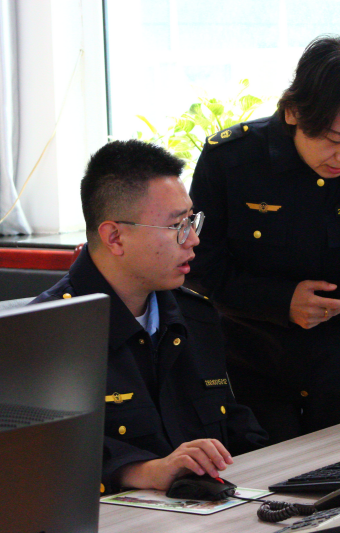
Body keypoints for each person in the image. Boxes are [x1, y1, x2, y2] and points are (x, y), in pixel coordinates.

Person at [187, 36, 340, 444]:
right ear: (294, 112)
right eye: (334, 139)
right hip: (251, 362)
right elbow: (201, 267)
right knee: (266, 476)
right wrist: (281, 301)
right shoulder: (231, 160)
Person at [32, 140, 267, 494]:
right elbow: (41, 455)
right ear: (115, 237)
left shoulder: (196, 316)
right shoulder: (49, 333)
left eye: (192, 221)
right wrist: (139, 471)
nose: (193, 240)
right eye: (177, 226)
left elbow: (235, 428)